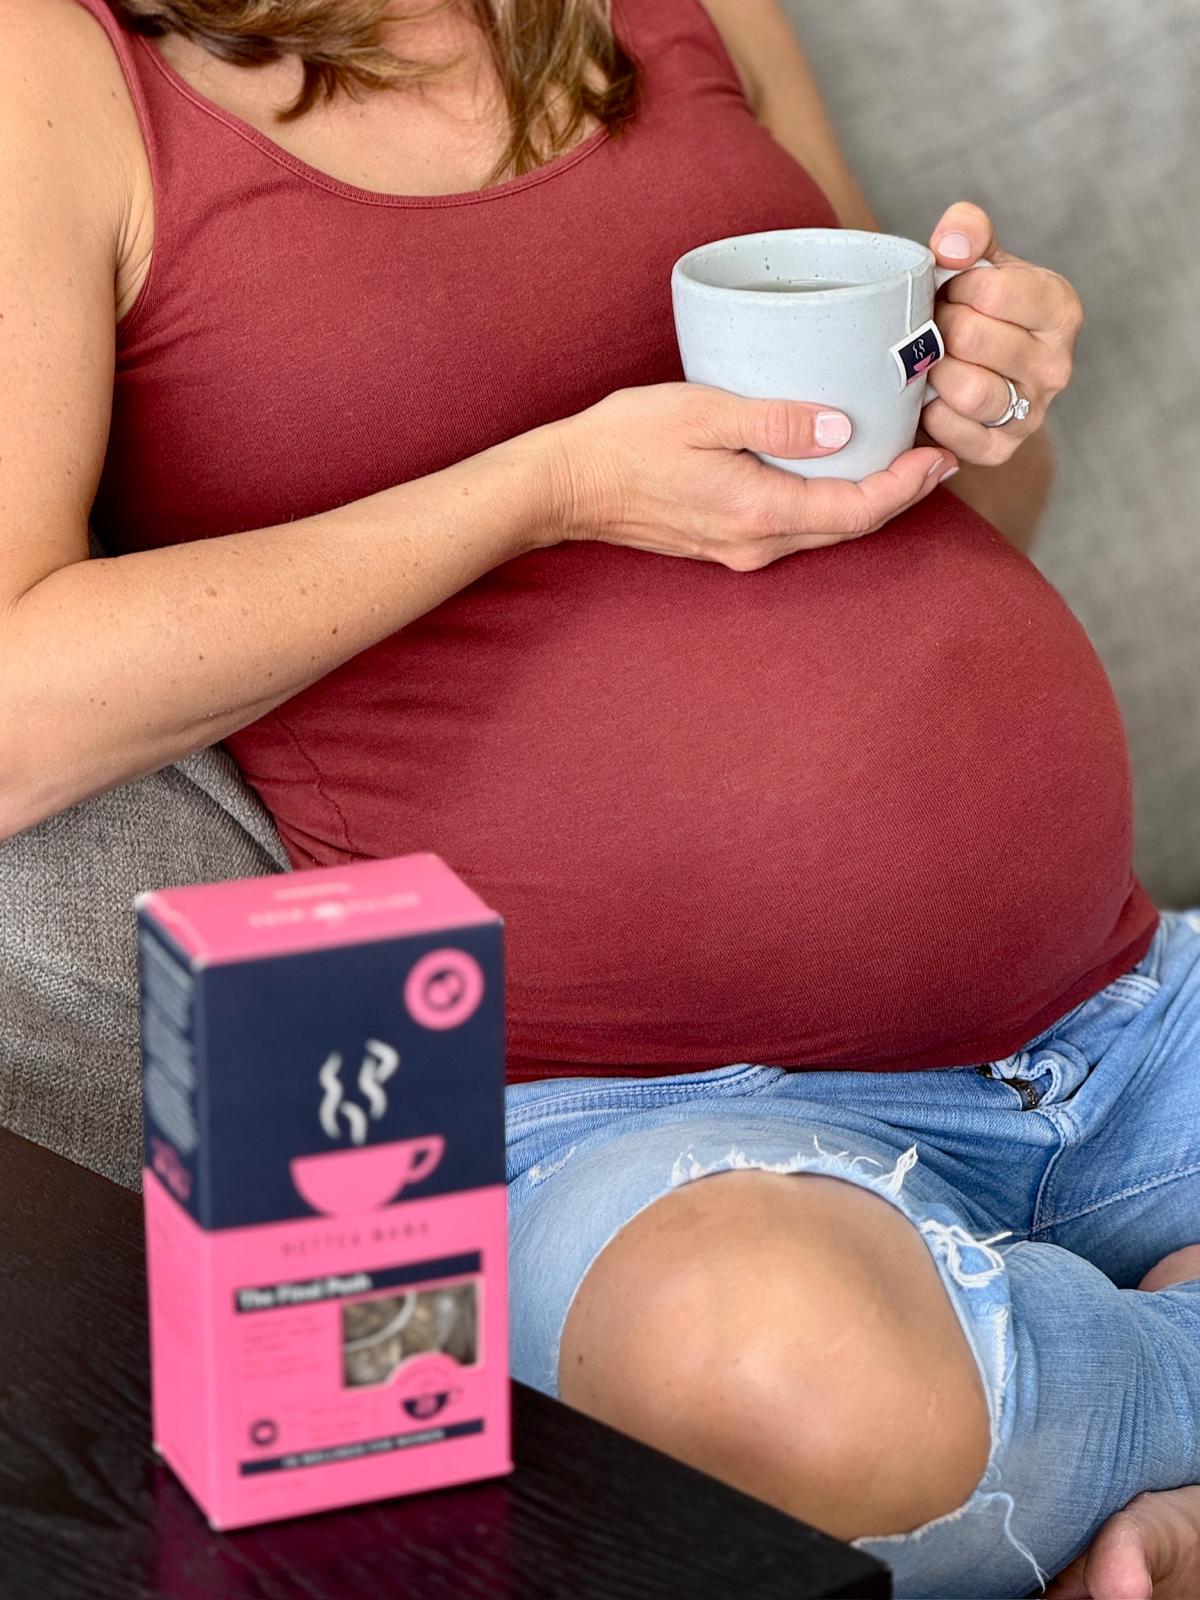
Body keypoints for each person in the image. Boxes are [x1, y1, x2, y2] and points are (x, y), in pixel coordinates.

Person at [1, 0, 1197, 1592]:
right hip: (627, 1122)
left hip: (1123, 1016)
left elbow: (973, 505)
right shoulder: (56, 70)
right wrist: (546, 489)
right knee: (777, 1375)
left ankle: (1113, 1449)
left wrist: (986, 392)